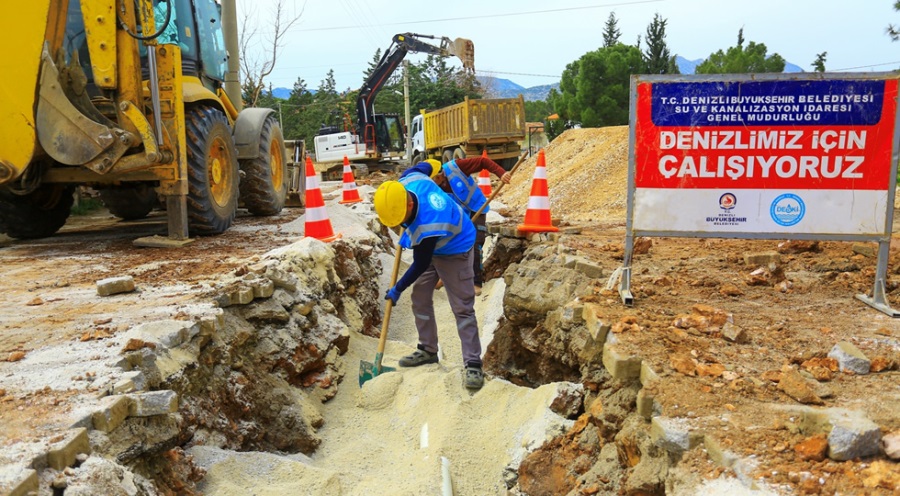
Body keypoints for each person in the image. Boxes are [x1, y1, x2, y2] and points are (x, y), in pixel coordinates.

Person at [373, 166, 485, 390]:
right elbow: (423, 167)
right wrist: (434, 164)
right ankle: (428, 349)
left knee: (462, 306)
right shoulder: (407, 182)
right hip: (433, 246)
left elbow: (421, 263)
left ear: (409, 205)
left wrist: (398, 288)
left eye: (401, 220)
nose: (400, 225)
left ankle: (473, 363)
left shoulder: (428, 223)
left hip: (456, 249)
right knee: (420, 297)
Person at [403, 157, 511, 295]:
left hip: (476, 208)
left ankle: (475, 282)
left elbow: (483, 161)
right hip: (458, 216)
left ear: (439, 175)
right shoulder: (430, 188)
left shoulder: (457, 167)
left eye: (432, 180)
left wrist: (501, 173)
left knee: (474, 242)